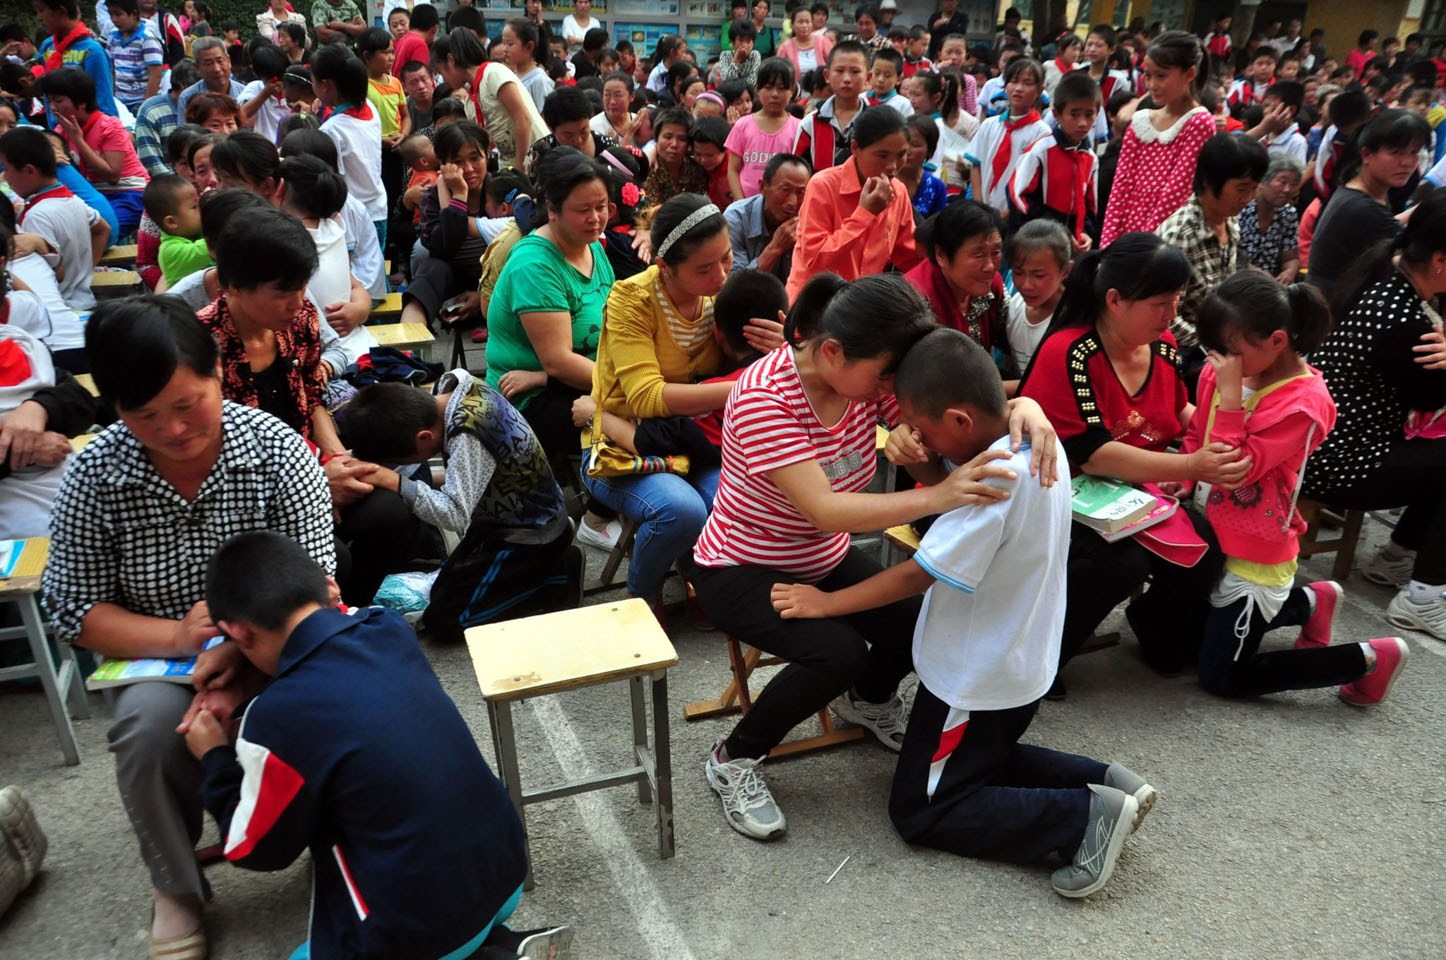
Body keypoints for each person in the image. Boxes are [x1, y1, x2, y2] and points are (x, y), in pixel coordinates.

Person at [773, 326, 1155, 898]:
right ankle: (1103, 781)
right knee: (980, 757)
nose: (917, 440)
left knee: (921, 807)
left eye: (922, 429)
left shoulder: (996, 479)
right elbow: (956, 498)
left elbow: (917, 573)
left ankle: (1081, 818)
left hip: (972, 678)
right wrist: (933, 465)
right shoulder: (1034, 445)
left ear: (958, 419)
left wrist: (826, 603)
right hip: (1017, 661)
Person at [690, 273, 1057, 839]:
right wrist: (937, 494)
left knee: (918, 629)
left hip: (820, 555)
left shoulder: (867, 377)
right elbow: (825, 510)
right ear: (832, 352)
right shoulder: (765, 397)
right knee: (835, 653)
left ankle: (868, 701)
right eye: (886, 376)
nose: (893, 388)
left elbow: (957, 397)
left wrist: (1027, 406)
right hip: (742, 563)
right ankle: (733, 757)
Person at [41, 297, 334, 960]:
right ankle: (175, 885)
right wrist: (178, 638)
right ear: (115, 407)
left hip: (279, 647)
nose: (172, 429)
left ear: (217, 374)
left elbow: (314, 585)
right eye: (144, 415)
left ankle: (338, 841)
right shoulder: (95, 474)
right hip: (164, 659)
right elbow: (76, 609)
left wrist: (242, 659)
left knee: (327, 699)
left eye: (187, 404)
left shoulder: (277, 451)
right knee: (147, 727)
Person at [189, 531, 571, 960]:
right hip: (505, 873)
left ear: (238, 633)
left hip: (423, 928)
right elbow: (332, 623)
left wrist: (215, 755)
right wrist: (239, 651)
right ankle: (499, 943)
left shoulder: (274, 717)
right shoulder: (385, 626)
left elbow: (256, 848)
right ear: (329, 584)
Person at [1170, 272, 1410, 705]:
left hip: (1255, 555)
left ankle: (1371, 658)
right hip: (1207, 532)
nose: (1218, 361)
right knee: (1175, 648)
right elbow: (1197, 436)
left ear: (1277, 341)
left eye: (1230, 350)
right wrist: (1184, 477)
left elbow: (1236, 470)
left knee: (1221, 677)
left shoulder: (1305, 403)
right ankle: (1311, 602)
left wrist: (1230, 400)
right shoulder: (1225, 369)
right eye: (1214, 350)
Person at [1018, 233, 1247, 686]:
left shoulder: (1163, 347)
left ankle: (1155, 628)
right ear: (1115, 300)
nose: (1171, 314)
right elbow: (1092, 455)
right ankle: (1038, 659)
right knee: (1121, 563)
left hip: (1130, 493)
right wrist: (1190, 466)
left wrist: (1227, 433)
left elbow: (1177, 413)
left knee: (1204, 545)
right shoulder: (1071, 352)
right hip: (1058, 492)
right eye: (1160, 303)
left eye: (1176, 300)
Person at [582, 195, 783, 614]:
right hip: (622, 442)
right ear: (664, 266)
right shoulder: (631, 300)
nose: (722, 275)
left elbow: (766, 356)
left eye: (726, 258)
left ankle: (704, 582)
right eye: (705, 268)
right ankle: (641, 597)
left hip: (694, 440)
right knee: (682, 510)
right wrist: (752, 382)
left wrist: (781, 350)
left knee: (738, 498)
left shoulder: (719, 296)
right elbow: (647, 398)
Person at [1305, 192, 1446, 640]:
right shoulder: (1405, 322)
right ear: (1440, 260)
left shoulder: (1385, 275)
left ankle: (1398, 555)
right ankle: (1423, 597)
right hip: (1339, 461)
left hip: (1327, 442)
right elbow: (1431, 400)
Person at [483, 147, 622, 549]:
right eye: (583, 210)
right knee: (634, 418)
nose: (595, 218)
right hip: (528, 401)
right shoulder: (536, 265)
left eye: (601, 207)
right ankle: (598, 515)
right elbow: (559, 360)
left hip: (562, 378)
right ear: (553, 209)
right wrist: (631, 385)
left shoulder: (593, 246)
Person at [1156, 131, 1267, 384]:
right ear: (1208, 182)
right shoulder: (1180, 236)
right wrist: (1214, 346)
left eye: (1253, 189)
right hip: (1187, 357)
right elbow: (1163, 317)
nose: (1247, 199)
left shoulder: (1230, 221)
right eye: (1241, 189)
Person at [788, 106, 920, 300]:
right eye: (882, 155)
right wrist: (864, 214)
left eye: (901, 155)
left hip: (859, 306)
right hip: (813, 304)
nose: (892, 166)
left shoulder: (897, 191)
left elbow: (909, 254)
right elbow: (814, 259)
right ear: (855, 148)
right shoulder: (823, 185)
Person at [1100, 31, 1215, 246]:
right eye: (1147, 75)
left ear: (1189, 74)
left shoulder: (1198, 123)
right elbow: (1120, 188)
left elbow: (1176, 194)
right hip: (1126, 239)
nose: (1152, 84)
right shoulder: (1140, 121)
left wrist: (1144, 248)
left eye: (1161, 76)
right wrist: (1109, 246)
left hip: (1165, 240)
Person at [1308, 109, 1430, 297]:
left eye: (1414, 152)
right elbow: (1417, 255)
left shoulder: (1358, 191)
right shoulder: (1363, 208)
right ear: (1366, 154)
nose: (1407, 162)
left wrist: (1424, 208)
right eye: (1396, 152)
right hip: (1333, 307)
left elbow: (1389, 224)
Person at [0, 127, 109, 313]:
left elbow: (54, 274)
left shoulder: (36, 216)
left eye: (7, 170)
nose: (5, 178)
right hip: (86, 300)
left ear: (29, 170)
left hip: (62, 307)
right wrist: (85, 271)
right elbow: (103, 229)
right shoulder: (73, 200)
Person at [903, 199, 1013, 379]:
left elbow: (1013, 338)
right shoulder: (914, 302)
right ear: (941, 255)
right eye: (978, 255)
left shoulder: (992, 285)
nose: (990, 266)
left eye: (996, 252)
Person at [39, 67, 149, 236]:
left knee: (98, 232)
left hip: (129, 194)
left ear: (82, 101)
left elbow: (112, 175)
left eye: (58, 100)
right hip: (94, 196)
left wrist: (78, 139)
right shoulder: (60, 131)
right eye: (50, 101)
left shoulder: (109, 126)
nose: (53, 108)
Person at [432, 27, 549, 172]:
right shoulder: (470, 102)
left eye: (441, 71)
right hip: (509, 166)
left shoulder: (492, 73)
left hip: (538, 158)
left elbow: (523, 119)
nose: (443, 79)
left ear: (451, 60)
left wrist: (520, 170)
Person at [1007, 70, 1100, 248]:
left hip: (1071, 243)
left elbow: (1090, 205)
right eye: (1074, 114)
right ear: (1057, 114)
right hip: (1036, 241)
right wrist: (1055, 229)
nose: (1082, 123)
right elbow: (1018, 196)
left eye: (1089, 114)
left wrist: (1085, 232)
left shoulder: (1091, 158)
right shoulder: (1040, 151)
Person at [312, 44, 387, 246]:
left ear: (324, 85)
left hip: (353, 218)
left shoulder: (332, 130)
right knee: (375, 261)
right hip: (378, 207)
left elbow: (332, 180)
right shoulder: (369, 107)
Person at [965, 57, 1050, 214]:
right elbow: (976, 165)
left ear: (1039, 90)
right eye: (1013, 81)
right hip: (982, 212)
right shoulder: (989, 125)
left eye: (1027, 83)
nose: (1018, 88)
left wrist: (1006, 215)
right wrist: (979, 206)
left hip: (1016, 215)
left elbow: (1035, 183)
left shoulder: (1042, 133)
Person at [723, 152, 808, 284]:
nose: (793, 202)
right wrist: (775, 248)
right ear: (763, 187)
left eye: (800, 193)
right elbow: (733, 286)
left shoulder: (809, 219)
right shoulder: (736, 218)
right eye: (785, 190)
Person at [724, 58, 799, 199]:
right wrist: (740, 203)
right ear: (758, 89)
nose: (775, 94)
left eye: (782, 88)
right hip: (746, 205)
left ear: (792, 90)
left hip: (783, 206)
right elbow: (733, 170)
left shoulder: (799, 128)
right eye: (768, 87)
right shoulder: (742, 125)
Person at [1004, 219, 1070, 375]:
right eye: (1018, 273)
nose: (1026, 285)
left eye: (1039, 275)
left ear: (1065, 271)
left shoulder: (1072, 323)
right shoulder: (1015, 306)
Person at [34, 0, 117, 120]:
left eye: (41, 10)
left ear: (61, 11)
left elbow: (104, 100)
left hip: (83, 127)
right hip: (56, 127)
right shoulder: (47, 46)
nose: (39, 17)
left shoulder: (92, 50)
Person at [1238, 153, 1303, 283]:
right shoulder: (1239, 209)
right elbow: (1231, 256)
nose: (1288, 189)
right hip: (1238, 281)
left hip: (1271, 284)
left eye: (1294, 184)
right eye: (1282, 182)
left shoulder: (1288, 214)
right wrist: (1257, 274)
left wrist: (1290, 271)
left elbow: (1291, 257)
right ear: (1262, 182)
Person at [133, 59, 199, 176]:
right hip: (168, 182)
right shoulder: (152, 111)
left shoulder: (205, 107)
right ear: (183, 85)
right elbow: (152, 163)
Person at [143, 172, 209, 285]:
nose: (201, 208)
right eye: (195, 206)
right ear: (171, 222)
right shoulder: (170, 251)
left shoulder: (193, 233)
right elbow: (213, 246)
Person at [103, 0, 164, 112]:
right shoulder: (112, 38)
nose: (114, 19)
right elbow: (111, 71)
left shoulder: (146, 39)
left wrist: (145, 107)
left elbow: (155, 75)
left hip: (139, 103)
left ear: (134, 14)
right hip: (120, 103)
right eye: (111, 14)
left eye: (118, 14)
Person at [644, 106, 707, 205]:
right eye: (668, 137)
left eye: (682, 139)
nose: (674, 144)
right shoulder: (647, 170)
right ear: (656, 137)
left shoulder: (696, 170)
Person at [176, 36, 246, 118]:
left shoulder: (244, 93)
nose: (217, 69)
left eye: (220, 61)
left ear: (228, 60)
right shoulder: (187, 98)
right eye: (208, 63)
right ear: (197, 67)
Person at [899, 114, 945, 219]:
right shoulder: (883, 179)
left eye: (915, 145)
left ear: (929, 151)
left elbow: (938, 225)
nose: (907, 150)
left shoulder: (936, 187)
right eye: (904, 143)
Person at [779, 4, 831, 78]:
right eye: (800, 22)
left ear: (812, 23)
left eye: (807, 21)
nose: (804, 25)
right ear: (792, 25)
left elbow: (834, 65)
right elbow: (779, 71)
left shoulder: (823, 42)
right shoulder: (785, 47)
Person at [391, 1, 435, 78]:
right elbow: (420, 79)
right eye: (395, 25)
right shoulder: (419, 44)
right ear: (434, 29)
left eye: (403, 24)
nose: (399, 28)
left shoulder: (403, 40)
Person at [718, 18, 761, 86]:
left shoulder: (755, 55)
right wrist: (736, 60)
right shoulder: (725, 55)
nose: (745, 45)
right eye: (741, 40)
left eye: (748, 41)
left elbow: (752, 82)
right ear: (732, 42)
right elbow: (726, 82)